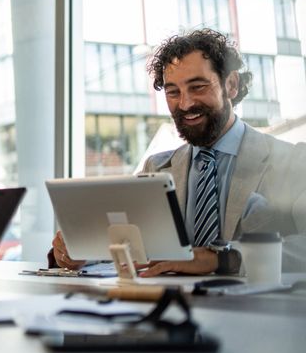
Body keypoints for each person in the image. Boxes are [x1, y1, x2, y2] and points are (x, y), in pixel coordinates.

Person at [50, 29, 306, 277]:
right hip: (172, 310)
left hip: (261, 314)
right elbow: (130, 243)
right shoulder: (155, 169)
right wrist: (82, 250)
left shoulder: (292, 162)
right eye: (173, 92)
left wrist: (222, 259)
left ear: (231, 84)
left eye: (198, 87)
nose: (185, 104)